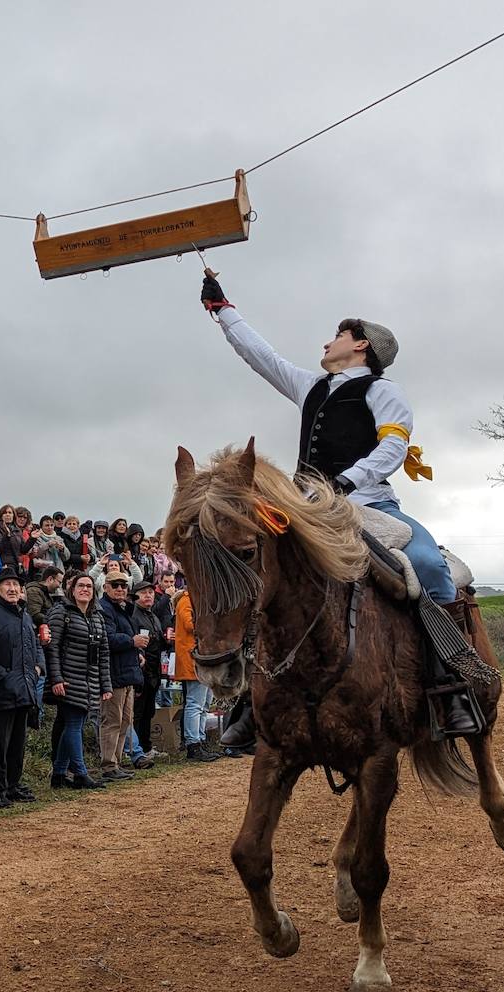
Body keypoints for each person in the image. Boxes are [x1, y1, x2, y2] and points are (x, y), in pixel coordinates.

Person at [200, 274, 476, 738]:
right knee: (267, 576)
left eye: (337, 336)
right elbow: (261, 357)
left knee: (429, 564)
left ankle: (451, 689)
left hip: (369, 503)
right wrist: (222, 309)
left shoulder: (383, 392)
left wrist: (347, 481)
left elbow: (391, 449)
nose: (327, 342)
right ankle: (253, 698)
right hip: (308, 509)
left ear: (362, 345)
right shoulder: (311, 386)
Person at [44, 572, 111, 790]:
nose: (85, 590)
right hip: (69, 679)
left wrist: (105, 685)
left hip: (89, 680)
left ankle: (60, 773)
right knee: (74, 724)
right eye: (80, 586)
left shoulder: (97, 616)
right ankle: (80, 773)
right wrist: (56, 678)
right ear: (71, 590)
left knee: (74, 724)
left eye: (89, 587)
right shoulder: (60, 612)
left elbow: (103, 653)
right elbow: (51, 648)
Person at [0, 567, 40, 808]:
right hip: (2, 691)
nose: (13, 588)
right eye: (7, 584)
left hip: (25, 689)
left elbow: (35, 645)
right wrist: (3, 677)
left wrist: (38, 668)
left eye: (16, 585)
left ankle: (13, 785)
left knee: (18, 742)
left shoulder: (25, 616)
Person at [98, 572, 144, 780]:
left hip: (127, 672)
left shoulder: (123, 609)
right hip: (113, 673)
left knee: (125, 720)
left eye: (124, 586)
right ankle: (108, 765)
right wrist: (132, 642)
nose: (120, 589)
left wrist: (137, 653)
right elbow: (106, 638)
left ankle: (116, 762)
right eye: (115, 585)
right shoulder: (104, 609)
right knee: (112, 720)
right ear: (106, 587)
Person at [173, 586, 221, 763]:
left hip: (201, 659)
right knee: (195, 704)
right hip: (193, 660)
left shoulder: (195, 601)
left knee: (204, 704)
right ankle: (193, 744)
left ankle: (199, 740)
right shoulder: (187, 600)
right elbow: (190, 625)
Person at [130, 579, 167, 764]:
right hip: (140, 670)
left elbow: (158, 642)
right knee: (137, 712)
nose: (148, 595)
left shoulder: (153, 616)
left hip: (154, 671)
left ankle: (145, 746)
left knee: (148, 711)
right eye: (144, 593)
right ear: (135, 596)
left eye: (151, 592)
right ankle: (133, 750)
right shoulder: (133, 615)